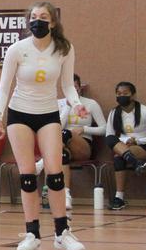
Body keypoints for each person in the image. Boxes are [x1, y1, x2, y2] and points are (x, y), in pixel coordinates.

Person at [0, 1, 86, 250]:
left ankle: (62, 232)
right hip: (19, 113)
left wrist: (76, 105)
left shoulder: (64, 49)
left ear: (53, 22)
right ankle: (32, 234)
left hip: (48, 114)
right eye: (33, 17)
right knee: (27, 175)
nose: (37, 21)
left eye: (43, 17)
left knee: (55, 173)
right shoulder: (17, 49)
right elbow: (4, 86)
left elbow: (67, 85)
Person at [37, 74, 105, 210]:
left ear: (80, 88)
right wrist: (68, 107)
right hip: (62, 143)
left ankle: (42, 162)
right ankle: (66, 195)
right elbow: (56, 127)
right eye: (69, 88)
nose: (73, 91)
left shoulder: (90, 104)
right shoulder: (58, 104)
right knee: (62, 155)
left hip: (83, 145)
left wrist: (84, 129)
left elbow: (104, 128)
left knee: (65, 134)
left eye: (75, 88)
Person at [104, 82, 146, 210]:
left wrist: (138, 141)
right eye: (119, 94)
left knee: (119, 156)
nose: (121, 96)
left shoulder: (144, 110)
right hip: (122, 146)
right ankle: (135, 164)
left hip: (142, 147)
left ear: (133, 95)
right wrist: (123, 141)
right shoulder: (114, 112)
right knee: (114, 148)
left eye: (125, 94)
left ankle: (119, 197)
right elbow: (109, 136)